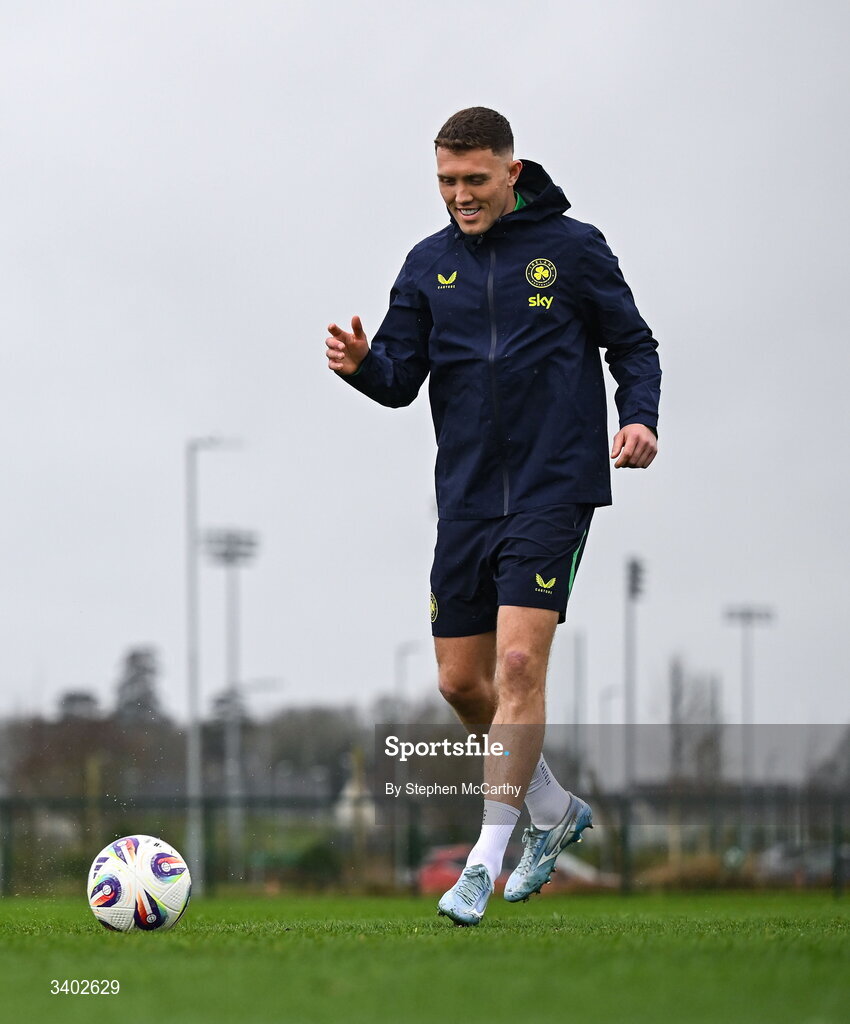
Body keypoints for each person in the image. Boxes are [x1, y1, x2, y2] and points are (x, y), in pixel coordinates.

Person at [326, 107, 660, 925]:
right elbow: (402, 378)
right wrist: (365, 365)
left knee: (517, 669)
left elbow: (634, 343)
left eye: (474, 179)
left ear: (512, 172)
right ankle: (551, 813)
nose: (460, 195)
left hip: (555, 486)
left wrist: (640, 414)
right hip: (467, 498)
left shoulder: (574, 249)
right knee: (461, 683)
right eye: (445, 181)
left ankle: (483, 862)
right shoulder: (427, 265)